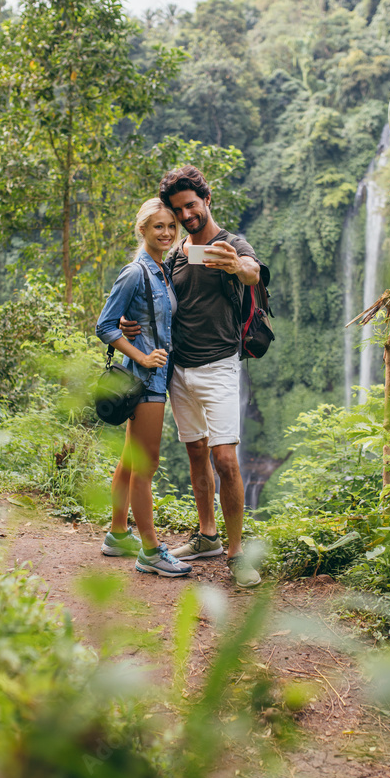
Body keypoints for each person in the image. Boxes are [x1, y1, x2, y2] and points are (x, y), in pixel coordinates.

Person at [121, 166, 262, 588]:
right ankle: (207, 536)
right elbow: (158, 303)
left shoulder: (232, 245)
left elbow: (253, 271)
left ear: (207, 200)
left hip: (219, 365)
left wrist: (236, 266)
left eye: (191, 205)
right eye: (179, 209)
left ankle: (237, 553)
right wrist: (130, 326)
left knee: (225, 459)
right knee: (196, 453)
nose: (186, 215)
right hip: (177, 369)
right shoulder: (177, 254)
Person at [95, 198, 191, 579]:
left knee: (131, 461)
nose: (166, 232)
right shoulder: (136, 272)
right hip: (145, 382)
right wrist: (142, 354)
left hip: (153, 380)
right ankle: (151, 550)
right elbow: (105, 325)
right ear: (142, 230)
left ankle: (118, 535)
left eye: (171, 226)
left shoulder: (162, 271)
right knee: (146, 466)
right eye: (158, 227)